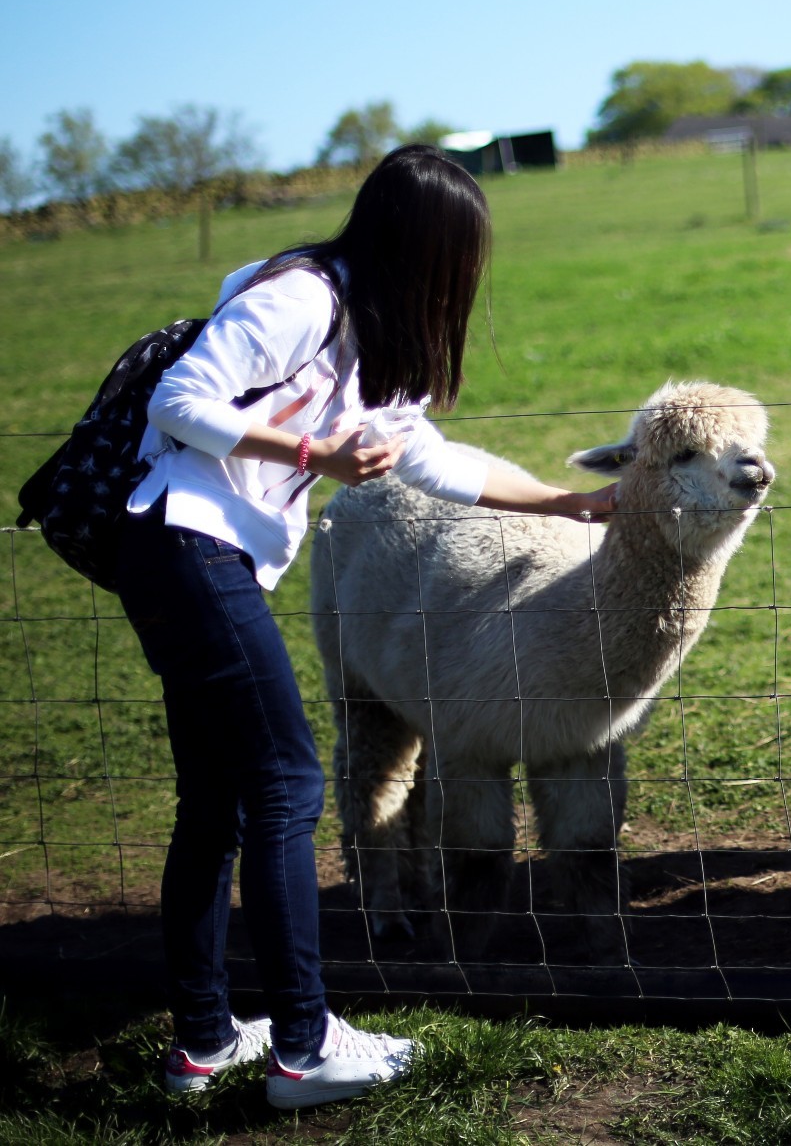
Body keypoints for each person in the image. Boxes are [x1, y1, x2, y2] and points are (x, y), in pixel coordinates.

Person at [118, 146, 615, 1109]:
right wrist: (312, 452)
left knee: (217, 800)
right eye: (463, 256)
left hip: (203, 554)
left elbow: (428, 456)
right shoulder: (301, 299)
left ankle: (203, 1045)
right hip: (186, 547)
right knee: (288, 783)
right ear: (425, 246)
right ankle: (305, 1048)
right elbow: (177, 401)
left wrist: (563, 502)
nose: (466, 281)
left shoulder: (368, 329)